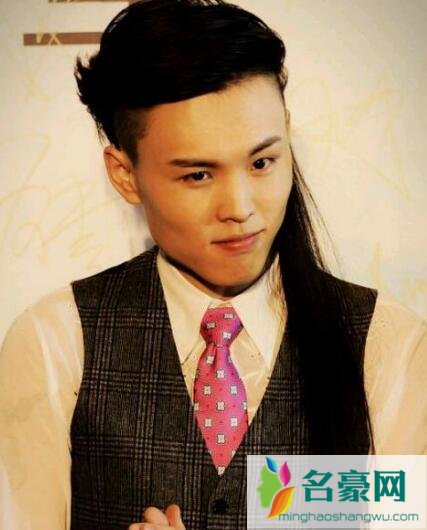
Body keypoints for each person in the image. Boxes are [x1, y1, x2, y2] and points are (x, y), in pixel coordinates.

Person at [0, 1, 426, 529]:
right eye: (198, 175)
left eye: (262, 162)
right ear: (125, 174)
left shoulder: (386, 344)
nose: (240, 207)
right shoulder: (55, 342)